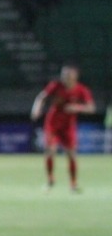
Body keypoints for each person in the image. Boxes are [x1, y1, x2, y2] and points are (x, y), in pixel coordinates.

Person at [31, 63, 94, 192]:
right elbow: (41, 97)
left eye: (68, 75)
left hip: (68, 126)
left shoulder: (81, 90)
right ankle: (50, 180)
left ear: (75, 76)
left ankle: (73, 184)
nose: (65, 77)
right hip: (52, 124)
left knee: (71, 154)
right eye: (63, 75)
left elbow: (91, 108)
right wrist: (36, 109)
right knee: (50, 151)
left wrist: (77, 107)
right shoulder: (55, 86)